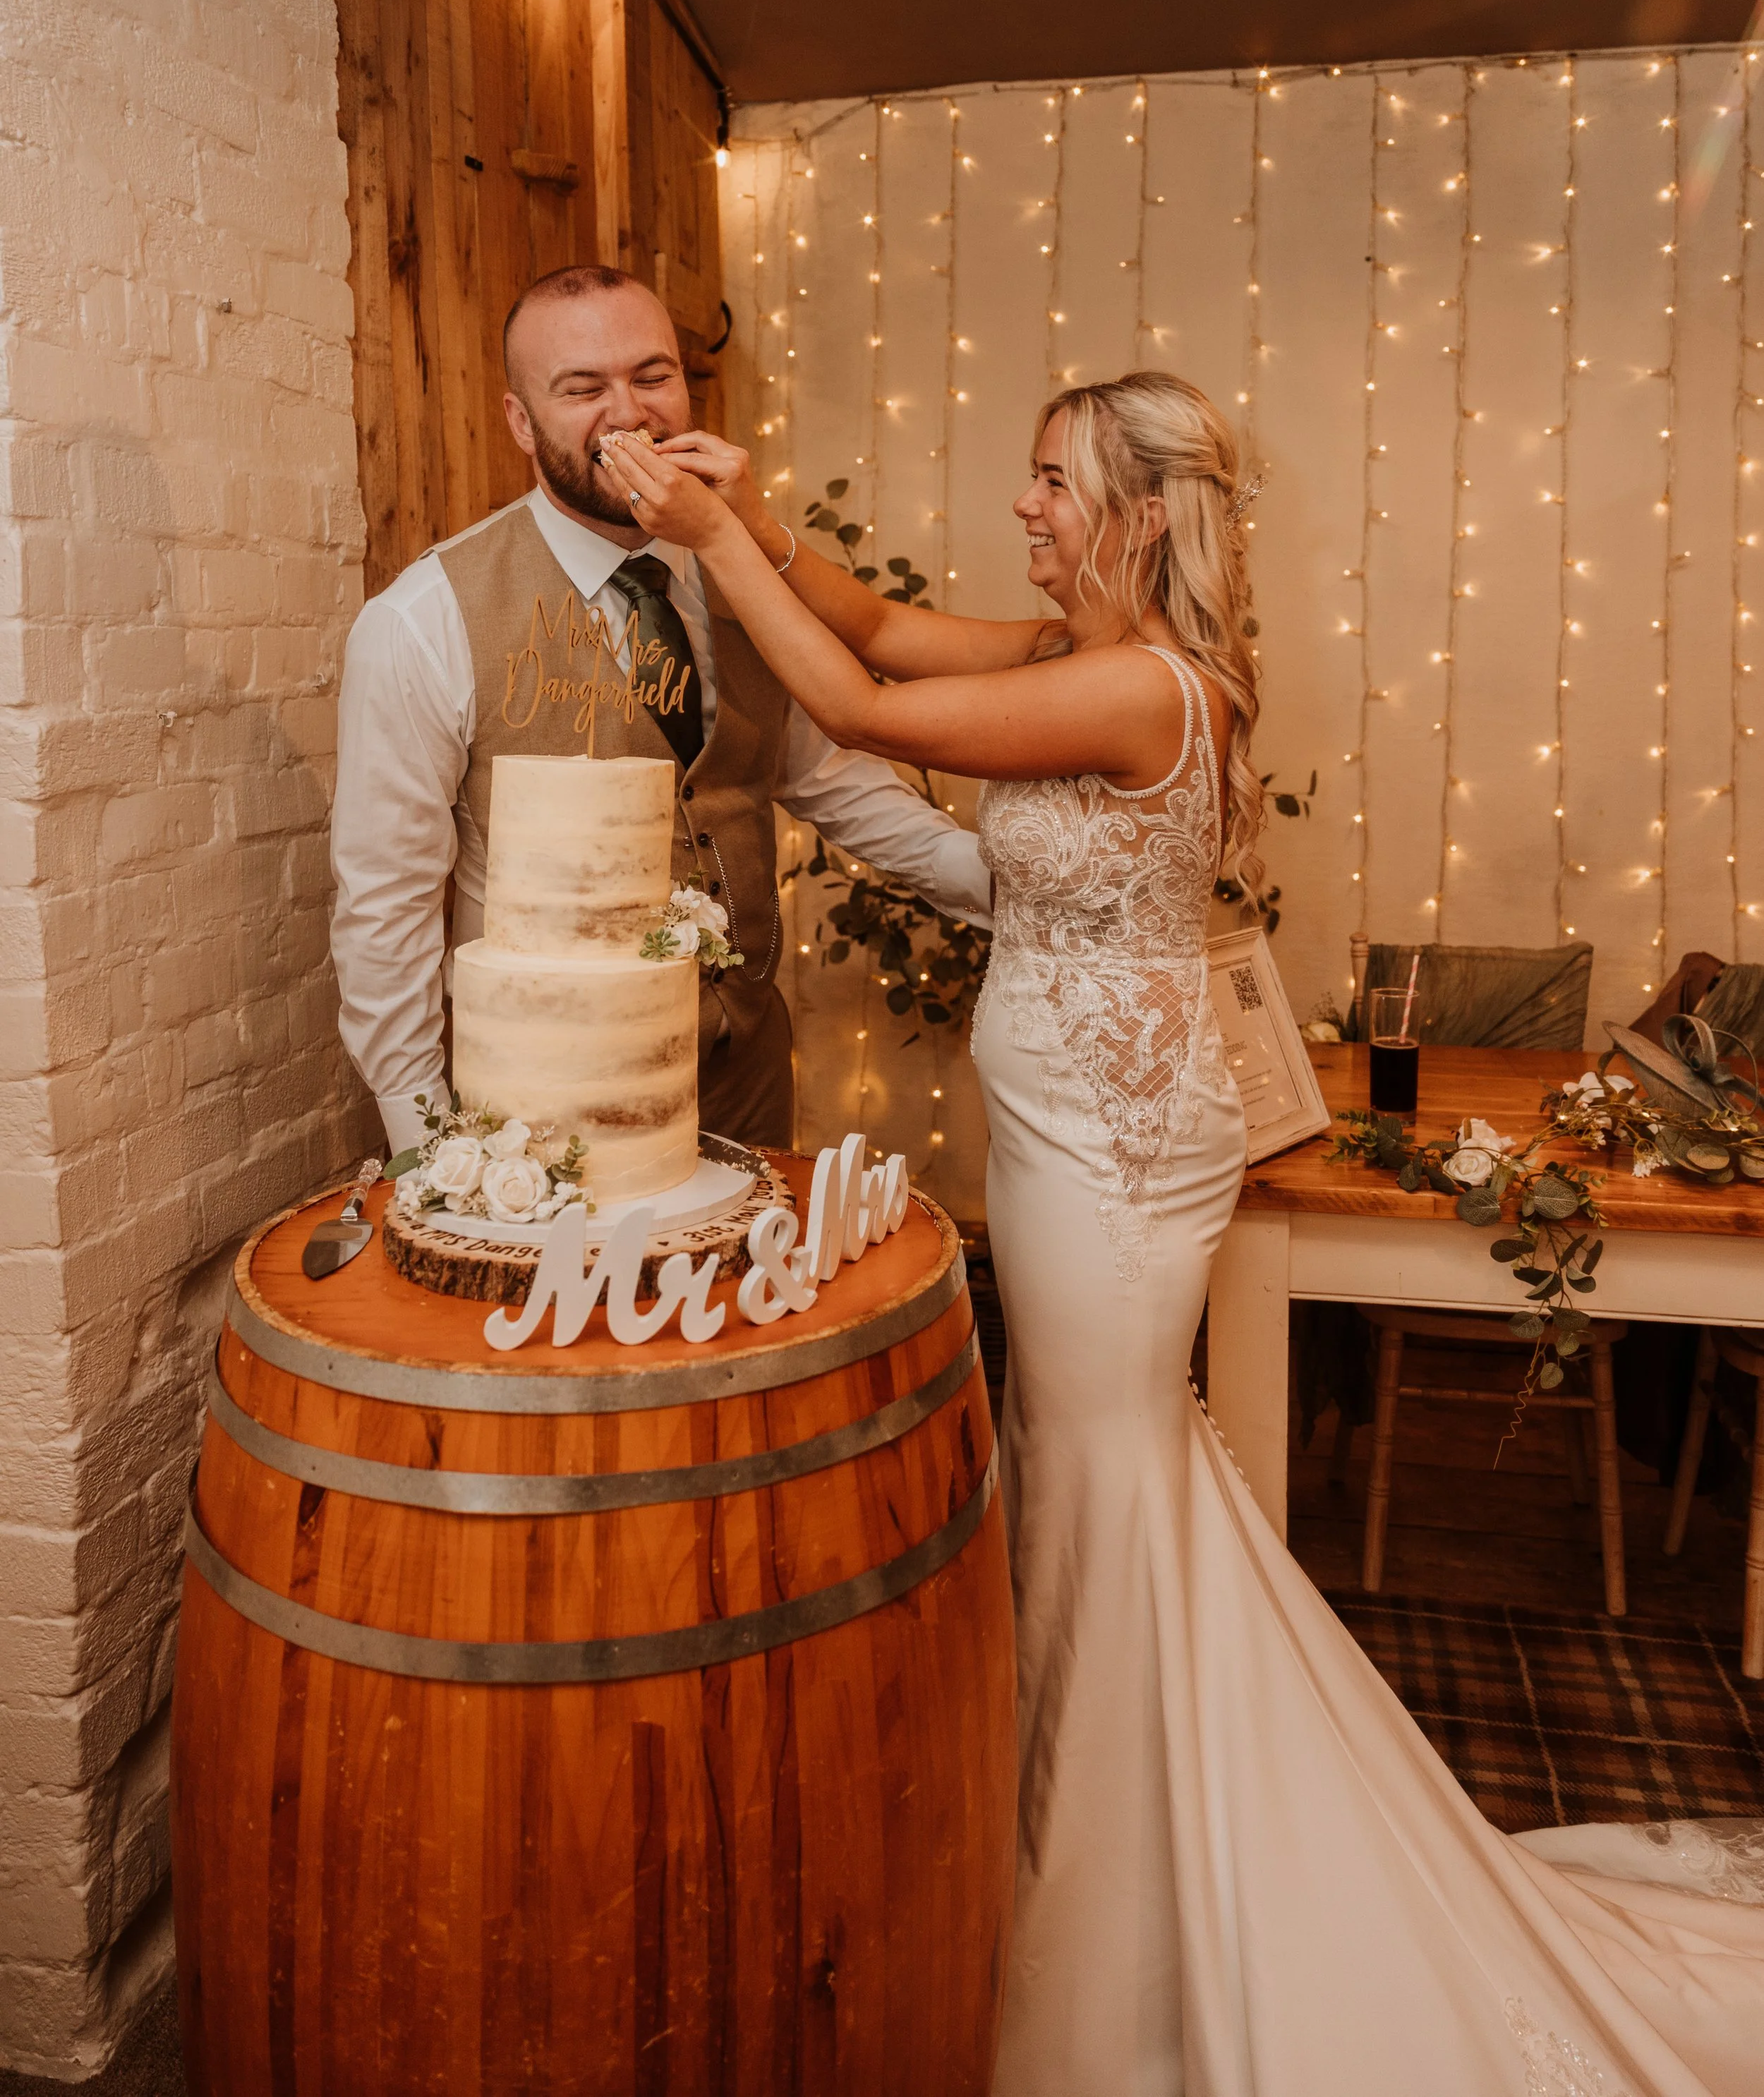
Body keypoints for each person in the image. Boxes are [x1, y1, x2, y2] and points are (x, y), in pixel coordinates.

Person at [604, 372, 1764, 2097]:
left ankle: (1124, 1919)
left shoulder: (1144, 685)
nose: (1027, 508)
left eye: (1055, 484)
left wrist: (699, 538)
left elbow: (848, 688)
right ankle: (1113, 1846)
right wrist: (750, 505)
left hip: (1112, 1163)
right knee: (1098, 1485)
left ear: (1144, 513)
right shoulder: (1092, 656)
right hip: (1091, 1131)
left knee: (1099, 1487)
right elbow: (871, 621)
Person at [329, 264, 992, 1159]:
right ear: (521, 422)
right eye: (582, 388)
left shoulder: (744, 574)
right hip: (545, 1108)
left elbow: (831, 781)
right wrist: (429, 1143)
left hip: (747, 1076)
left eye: (652, 376)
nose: (630, 414)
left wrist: (1017, 885)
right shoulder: (422, 620)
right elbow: (387, 905)